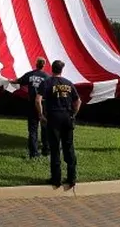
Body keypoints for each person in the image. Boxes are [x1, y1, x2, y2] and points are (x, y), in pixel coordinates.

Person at [36, 59, 80, 188]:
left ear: (52, 69)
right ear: (62, 70)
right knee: (69, 147)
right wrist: (73, 114)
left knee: (54, 148)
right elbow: (78, 101)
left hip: (54, 117)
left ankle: (56, 179)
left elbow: (38, 100)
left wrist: (41, 115)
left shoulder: (47, 82)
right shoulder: (69, 83)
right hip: (67, 117)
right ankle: (72, 178)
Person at [17, 57, 50, 158]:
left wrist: (7, 81)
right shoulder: (47, 77)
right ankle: (46, 149)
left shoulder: (30, 74)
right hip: (44, 104)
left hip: (32, 103)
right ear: (44, 65)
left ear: (36, 64)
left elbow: (18, 81)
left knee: (32, 129)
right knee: (45, 127)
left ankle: (34, 153)